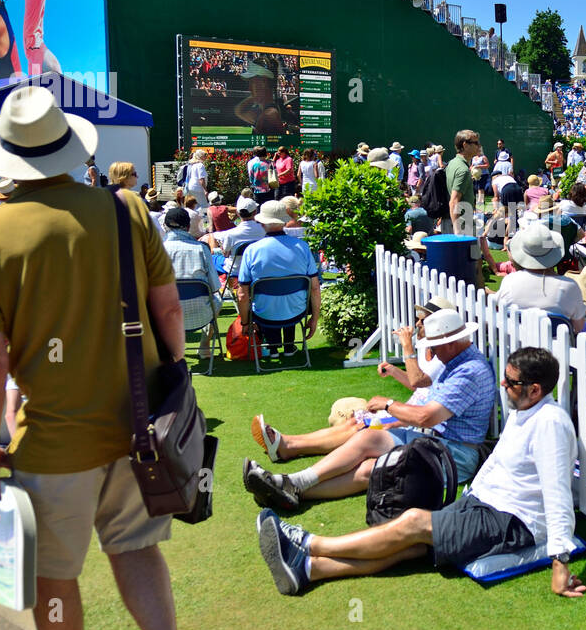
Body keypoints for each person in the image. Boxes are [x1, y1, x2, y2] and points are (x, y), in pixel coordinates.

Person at [0, 86, 187, 630]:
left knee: (55, 577)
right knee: (137, 550)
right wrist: (174, 377)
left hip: (53, 444)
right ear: (68, 149)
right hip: (139, 427)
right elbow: (170, 309)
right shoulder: (125, 209)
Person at [254, 347, 586, 598]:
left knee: (413, 521)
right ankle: (309, 570)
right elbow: (498, 464)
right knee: (413, 545)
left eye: (511, 381)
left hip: (512, 521)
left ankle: (309, 544)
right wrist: (468, 497)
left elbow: (557, 494)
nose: (503, 384)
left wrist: (560, 562)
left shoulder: (550, 425)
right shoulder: (523, 411)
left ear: (535, 389)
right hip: (485, 504)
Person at [243, 308, 495, 511]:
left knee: (371, 467)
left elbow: (426, 416)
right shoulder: (458, 362)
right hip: (436, 441)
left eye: (435, 346)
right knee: (367, 435)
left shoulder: (467, 371)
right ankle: (290, 485)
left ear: (449, 343)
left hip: (454, 454)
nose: (433, 353)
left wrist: (389, 405)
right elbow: (424, 402)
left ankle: (289, 488)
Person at [237, 199, 320, 359]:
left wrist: (245, 323)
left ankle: (273, 347)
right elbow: (315, 288)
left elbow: (242, 294)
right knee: (287, 296)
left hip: (264, 313)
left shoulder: (252, 250)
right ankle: (288, 345)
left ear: (262, 223)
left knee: (270, 299)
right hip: (297, 311)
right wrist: (314, 319)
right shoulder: (302, 246)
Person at [496, 222, 585, 336]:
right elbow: (579, 328)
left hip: (518, 349)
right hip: (556, 351)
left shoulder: (510, 281)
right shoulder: (570, 286)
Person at [162, 207, 222, 359]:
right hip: (201, 312)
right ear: (188, 227)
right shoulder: (201, 249)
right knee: (218, 299)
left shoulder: (156, 250)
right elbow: (215, 286)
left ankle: (169, 350)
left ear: (165, 226)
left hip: (166, 315)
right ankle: (204, 345)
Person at [445, 129, 478, 236]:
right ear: (465, 145)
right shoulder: (463, 170)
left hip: (454, 222)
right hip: (463, 226)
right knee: (472, 253)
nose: (479, 146)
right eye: (476, 143)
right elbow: (454, 201)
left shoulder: (452, 163)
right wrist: (458, 232)